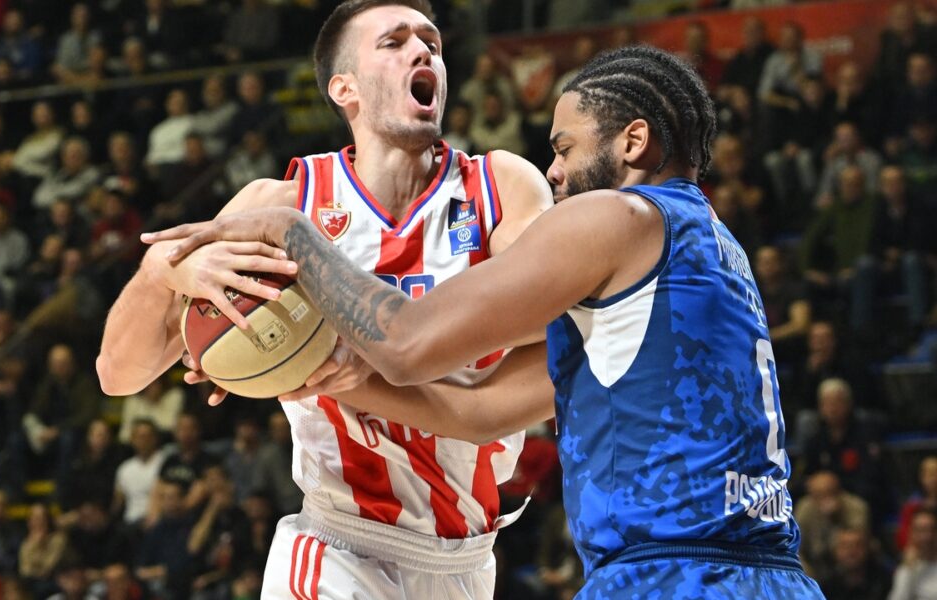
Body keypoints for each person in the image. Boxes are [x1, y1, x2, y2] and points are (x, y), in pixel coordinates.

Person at [147, 45, 824, 598]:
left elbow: (409, 342)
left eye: (564, 148)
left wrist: (291, 232)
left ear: (634, 141)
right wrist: (339, 379)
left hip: (671, 575)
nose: (552, 173)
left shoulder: (618, 215)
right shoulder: (711, 248)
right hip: (771, 576)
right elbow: (484, 412)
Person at [97, 1, 552, 598]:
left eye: (432, 44)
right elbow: (118, 374)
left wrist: (374, 358)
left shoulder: (501, 186)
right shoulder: (280, 203)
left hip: (466, 557)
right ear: (345, 88)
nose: (424, 53)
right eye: (394, 42)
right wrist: (162, 272)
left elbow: (552, 327)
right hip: (339, 547)